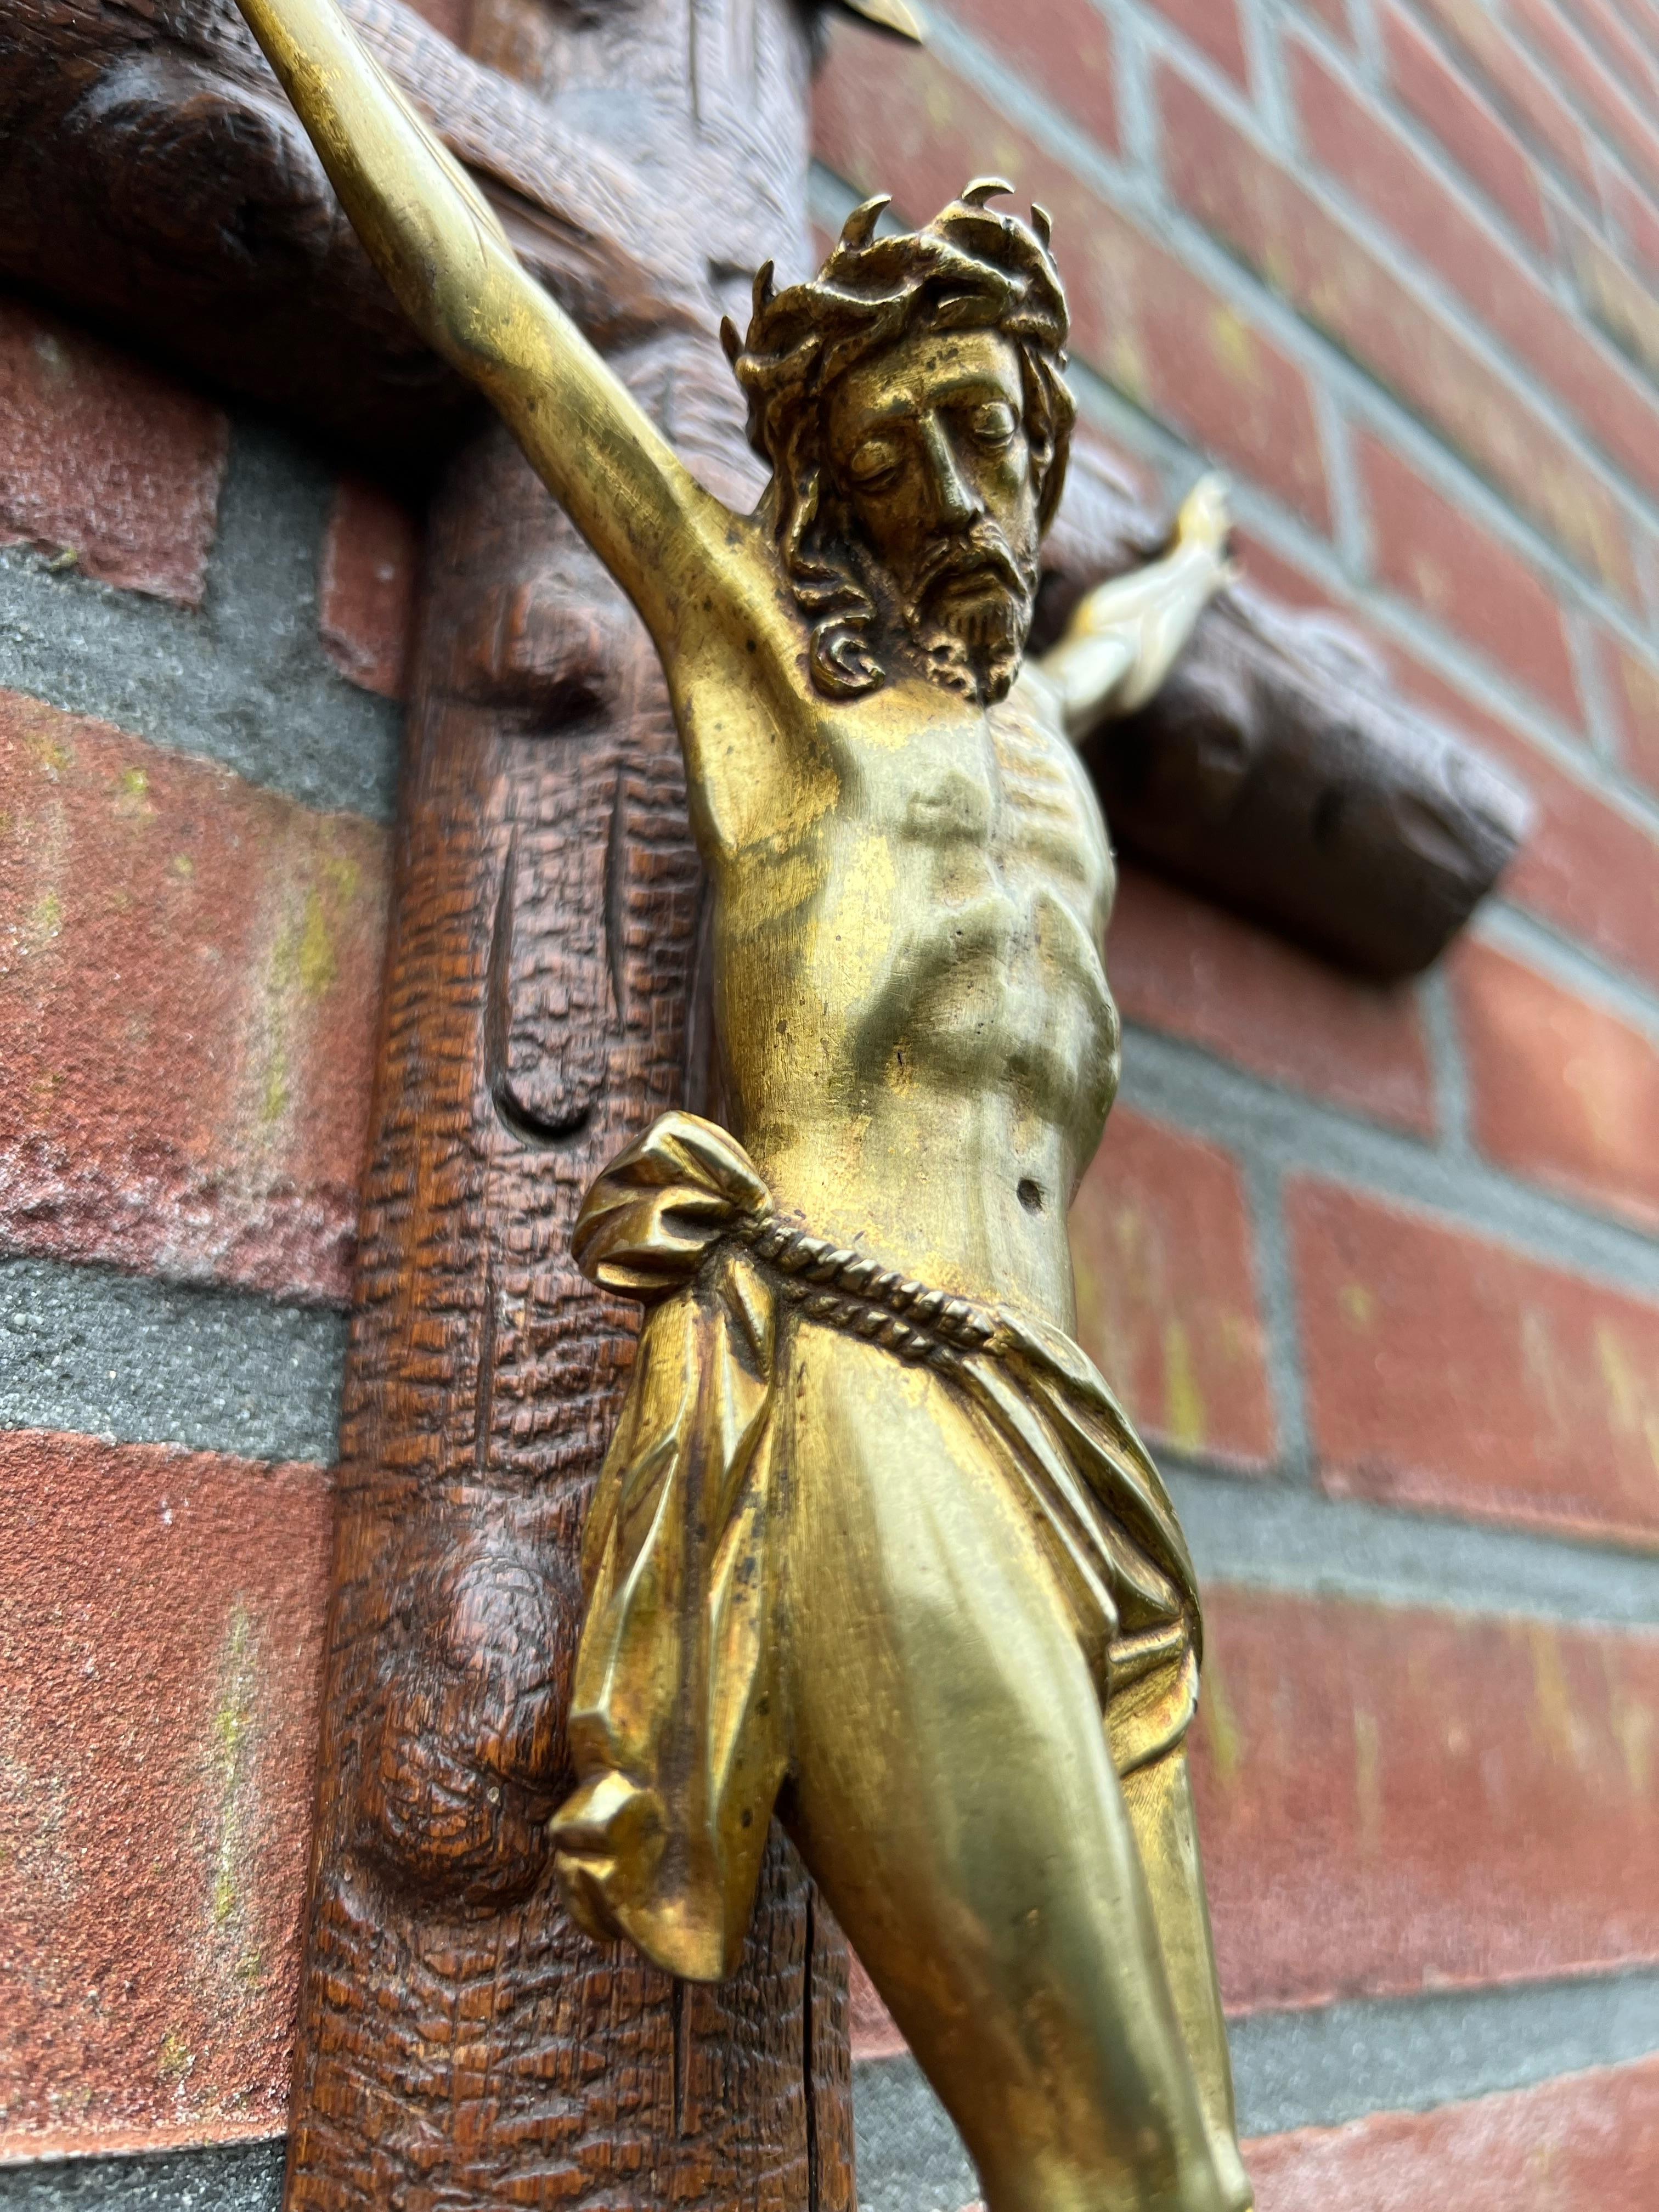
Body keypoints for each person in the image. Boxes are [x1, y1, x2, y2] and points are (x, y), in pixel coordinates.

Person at [228, 2, 1250, 2202]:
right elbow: (501, 321)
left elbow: (1126, 651)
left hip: (1074, 1447)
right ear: (836, 492)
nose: (966, 495)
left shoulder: (1050, 735)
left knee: (1203, 2184)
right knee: (1114, 2177)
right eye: (906, 461)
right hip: (864, 1390)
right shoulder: (763, 677)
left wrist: (1187, 581)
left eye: (997, 440)